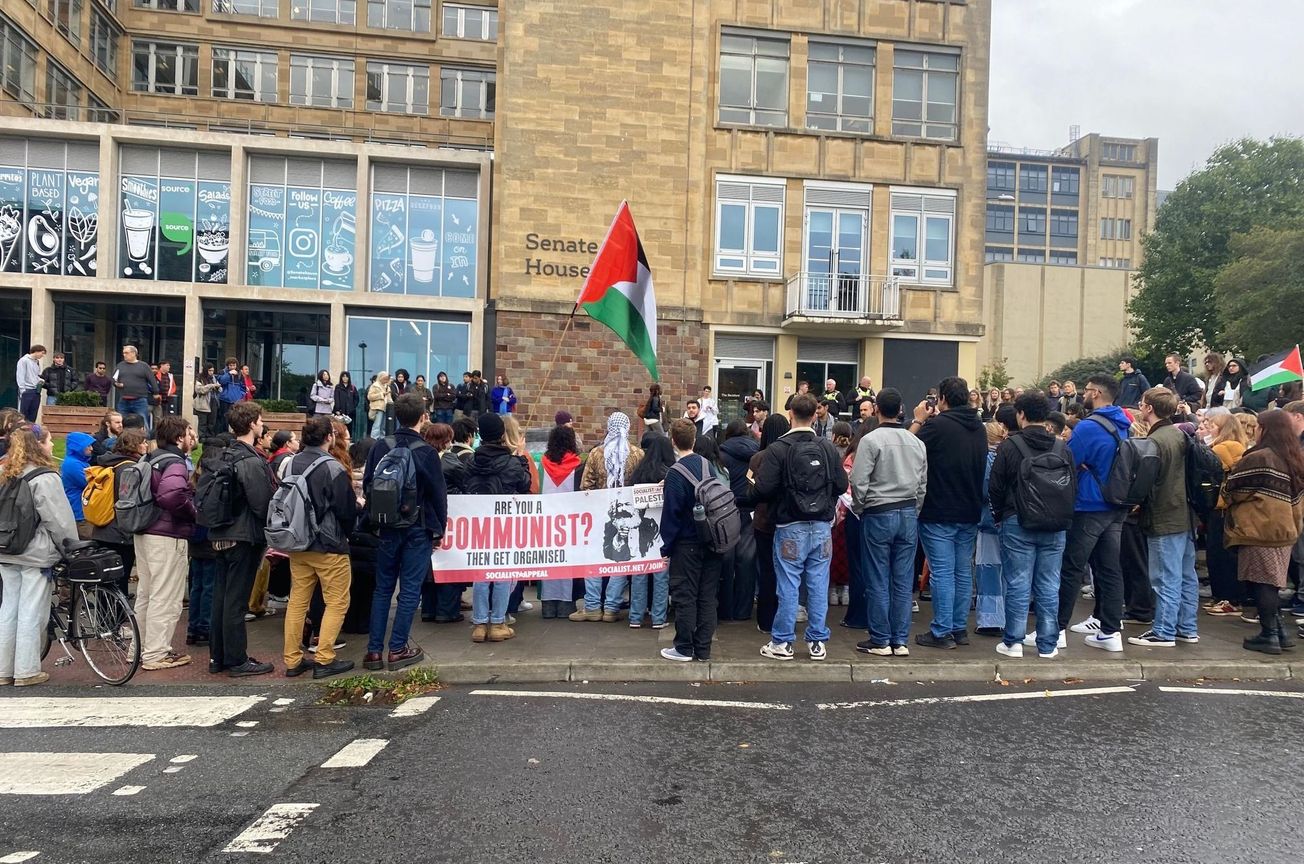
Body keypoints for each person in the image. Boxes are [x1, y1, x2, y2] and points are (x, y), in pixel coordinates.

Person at [752, 394, 848, 661]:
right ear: (815, 415)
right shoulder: (826, 447)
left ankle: (782, 641)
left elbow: (763, 489)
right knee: (818, 583)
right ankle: (817, 641)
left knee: (788, 584)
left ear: (790, 415)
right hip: (821, 526)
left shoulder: (778, 449)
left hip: (789, 524)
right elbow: (841, 485)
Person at [362, 393, 446, 667]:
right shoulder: (426, 452)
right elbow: (438, 496)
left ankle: (374, 651)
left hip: (386, 526)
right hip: (417, 526)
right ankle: (397, 648)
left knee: (382, 588)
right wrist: (439, 529)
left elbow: (368, 485)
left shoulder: (380, 446)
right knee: (410, 589)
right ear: (422, 417)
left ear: (396, 416)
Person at [987, 392, 1072, 660]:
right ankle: (1048, 644)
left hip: (1017, 520)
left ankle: (1013, 641)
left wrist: (1000, 516)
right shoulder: (1061, 447)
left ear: (1021, 415)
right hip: (1055, 524)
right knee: (1049, 583)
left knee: (1018, 582)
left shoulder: (1010, 446)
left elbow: (995, 487)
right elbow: (1073, 486)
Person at [1056, 374, 1133, 653]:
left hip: (1089, 504)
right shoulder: (1124, 424)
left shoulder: (1089, 426)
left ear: (1097, 393)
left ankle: (1055, 630)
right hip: (1116, 503)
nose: (1083, 394)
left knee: (1071, 568)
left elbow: (1067, 460)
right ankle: (1110, 632)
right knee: (1109, 569)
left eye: (1086, 390)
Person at [908, 377, 986, 649]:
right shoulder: (979, 427)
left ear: (942, 399)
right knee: (962, 571)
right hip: (969, 509)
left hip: (939, 509)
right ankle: (958, 628)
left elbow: (907, 448)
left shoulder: (938, 426)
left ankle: (941, 631)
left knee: (942, 572)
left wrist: (919, 420)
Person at [849, 388, 927, 657]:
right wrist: (914, 510)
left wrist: (860, 508)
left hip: (878, 512)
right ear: (901, 410)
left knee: (878, 578)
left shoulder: (870, 440)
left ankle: (880, 639)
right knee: (903, 580)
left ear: (877, 409)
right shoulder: (917, 443)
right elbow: (922, 484)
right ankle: (900, 640)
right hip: (907, 512)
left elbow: (858, 481)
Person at [0, 425, 77, 686]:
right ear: (38, 444)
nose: (52, 445)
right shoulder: (44, 477)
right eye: (49, 441)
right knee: (32, 611)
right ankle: (26, 670)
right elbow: (59, 520)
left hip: (6, 549)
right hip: (35, 552)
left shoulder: (4, 470)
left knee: (8, 609)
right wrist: (71, 548)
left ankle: (3, 669)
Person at [281, 416, 357, 679]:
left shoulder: (291, 463)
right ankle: (324, 658)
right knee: (337, 601)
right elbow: (346, 510)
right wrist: (348, 533)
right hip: (329, 543)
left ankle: (292, 659)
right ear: (329, 437)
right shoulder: (333, 468)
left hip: (297, 540)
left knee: (298, 601)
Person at [208, 401, 277, 677]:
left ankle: (218, 657)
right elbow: (262, 503)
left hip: (220, 532)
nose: (262, 424)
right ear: (251, 424)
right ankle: (237, 660)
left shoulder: (223, 454)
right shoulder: (249, 460)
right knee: (236, 601)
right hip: (243, 535)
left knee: (221, 598)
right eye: (259, 420)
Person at [1226, 411, 1304, 654]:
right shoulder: (1294, 457)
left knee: (1261, 583)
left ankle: (1269, 634)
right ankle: (1279, 631)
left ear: (1265, 429)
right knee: (1271, 581)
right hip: (1286, 529)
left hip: (1259, 529)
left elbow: (1234, 489)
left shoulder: (1260, 458)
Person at [1128, 387, 1199, 647]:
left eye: (1142, 403)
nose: (1140, 406)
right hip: (1185, 513)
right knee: (1186, 575)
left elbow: (1146, 482)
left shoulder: (1156, 440)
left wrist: (1132, 502)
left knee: (1164, 577)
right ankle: (1186, 628)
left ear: (1149, 408)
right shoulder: (1180, 434)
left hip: (1163, 514)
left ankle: (1164, 631)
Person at [132, 415, 197, 671]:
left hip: (144, 530)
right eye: (189, 433)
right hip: (167, 534)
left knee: (146, 595)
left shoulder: (149, 458)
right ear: (179, 437)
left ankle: (139, 649)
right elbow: (172, 495)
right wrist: (193, 512)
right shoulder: (175, 462)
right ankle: (156, 653)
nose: (192, 438)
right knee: (166, 597)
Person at [657, 419, 725, 662]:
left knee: (685, 596)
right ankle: (703, 649)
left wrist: (666, 547)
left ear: (673, 441)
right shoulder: (707, 466)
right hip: (714, 540)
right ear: (694, 440)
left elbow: (671, 515)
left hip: (687, 544)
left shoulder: (675, 473)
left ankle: (684, 648)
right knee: (707, 597)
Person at [463, 413, 530, 642]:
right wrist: (520, 457)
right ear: (502, 434)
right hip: (505, 523)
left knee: (481, 573)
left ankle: (480, 623)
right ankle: (498, 622)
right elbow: (525, 485)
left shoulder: (471, 462)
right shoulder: (511, 463)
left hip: (479, 523)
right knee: (502, 572)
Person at [573, 412, 644, 621]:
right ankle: (612, 607)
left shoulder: (596, 453)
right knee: (621, 559)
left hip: (598, 513)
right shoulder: (637, 454)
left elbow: (585, 486)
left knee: (594, 558)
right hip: (626, 514)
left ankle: (592, 606)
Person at [1200, 412, 1250, 617]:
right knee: (1226, 554)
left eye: (1212, 426)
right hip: (1230, 507)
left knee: (1219, 554)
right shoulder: (1240, 447)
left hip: (1220, 506)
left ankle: (1227, 598)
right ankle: (1226, 597)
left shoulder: (1221, 448)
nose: (1208, 429)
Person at [745, 414, 789, 633]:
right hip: (789, 519)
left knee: (766, 569)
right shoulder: (791, 454)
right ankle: (786, 616)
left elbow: (750, 489)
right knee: (789, 571)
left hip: (763, 520)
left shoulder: (757, 458)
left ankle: (765, 619)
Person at [627, 435, 675, 629]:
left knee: (639, 573)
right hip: (662, 531)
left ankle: (635, 617)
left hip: (639, 530)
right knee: (661, 575)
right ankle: (658, 618)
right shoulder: (669, 474)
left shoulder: (638, 473)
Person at [538, 424, 583, 619]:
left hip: (546, 522)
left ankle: (548, 606)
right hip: (570, 524)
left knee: (548, 560)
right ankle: (566, 605)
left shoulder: (542, 464)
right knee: (568, 562)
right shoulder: (577, 465)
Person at [187, 434, 228, 648]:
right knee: (210, 586)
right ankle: (204, 627)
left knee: (197, 585)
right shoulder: (215, 479)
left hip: (195, 538)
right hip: (209, 537)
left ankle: (193, 627)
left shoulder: (194, 477)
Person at [719, 419, 759, 621]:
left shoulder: (721, 454)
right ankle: (743, 610)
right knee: (747, 560)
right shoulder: (758, 453)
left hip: (727, 510)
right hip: (751, 509)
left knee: (726, 559)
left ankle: (725, 608)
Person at [60, 431, 95, 539]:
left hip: (85, 512)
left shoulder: (79, 462)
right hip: (80, 514)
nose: (91, 448)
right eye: (87, 446)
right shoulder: (73, 464)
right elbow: (91, 484)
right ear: (77, 448)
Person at [214, 357, 246, 433]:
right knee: (224, 418)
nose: (232, 367)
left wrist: (240, 395)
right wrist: (228, 374)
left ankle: (234, 433)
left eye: (234, 365)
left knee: (235, 418)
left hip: (236, 400)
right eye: (230, 365)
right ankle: (224, 434)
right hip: (224, 399)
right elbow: (221, 381)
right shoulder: (222, 372)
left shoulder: (239, 374)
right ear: (227, 365)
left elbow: (243, 387)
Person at [15, 344, 45, 422]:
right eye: (42, 353)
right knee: (24, 414)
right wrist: (22, 390)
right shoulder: (24, 360)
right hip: (27, 390)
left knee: (33, 413)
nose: (42, 355)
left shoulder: (37, 362)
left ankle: (31, 428)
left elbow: (35, 375)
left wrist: (40, 380)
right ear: (36, 351)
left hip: (36, 391)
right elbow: (20, 375)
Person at [193, 365, 220, 437]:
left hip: (213, 402)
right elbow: (199, 390)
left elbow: (220, 389)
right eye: (209, 370)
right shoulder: (200, 378)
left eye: (212, 371)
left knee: (212, 423)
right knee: (203, 423)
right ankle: (202, 438)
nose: (211, 372)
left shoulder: (213, 378)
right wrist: (211, 386)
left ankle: (210, 437)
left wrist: (218, 387)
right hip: (203, 404)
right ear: (205, 370)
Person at [367, 371, 392, 439]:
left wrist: (392, 404)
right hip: (378, 408)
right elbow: (370, 397)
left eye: (387, 379)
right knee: (377, 425)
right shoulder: (375, 385)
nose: (386, 380)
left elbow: (389, 398)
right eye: (384, 378)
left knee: (383, 426)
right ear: (380, 377)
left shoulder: (387, 387)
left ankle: (382, 439)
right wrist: (381, 395)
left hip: (386, 408)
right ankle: (373, 439)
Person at [152, 360, 177, 427]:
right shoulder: (155, 375)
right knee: (158, 417)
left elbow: (173, 386)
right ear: (162, 365)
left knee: (167, 417)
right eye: (167, 365)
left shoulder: (170, 376)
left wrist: (170, 394)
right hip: (158, 400)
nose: (169, 367)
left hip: (167, 400)